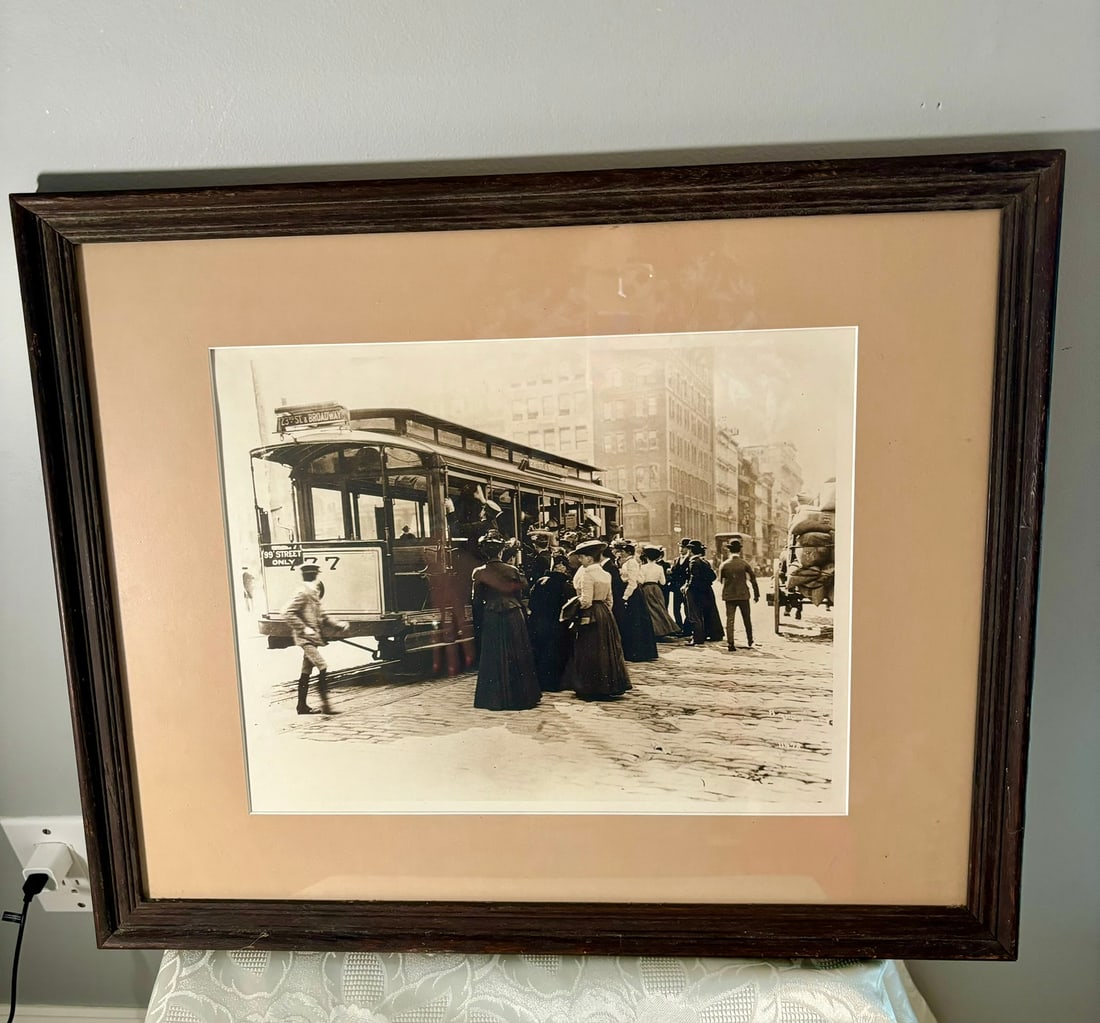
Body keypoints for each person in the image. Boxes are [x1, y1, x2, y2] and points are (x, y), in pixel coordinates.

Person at [471, 532, 541, 711]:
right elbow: (521, 594)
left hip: (492, 615)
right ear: (502, 550)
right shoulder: (513, 571)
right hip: (512, 613)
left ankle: (493, 698)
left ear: (484, 552)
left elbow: (477, 601)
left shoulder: (479, 572)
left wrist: (479, 623)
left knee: (493, 654)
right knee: (517, 652)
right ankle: (522, 696)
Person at [565, 539, 632, 700]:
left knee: (588, 649)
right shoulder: (605, 573)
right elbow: (610, 600)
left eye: (581, 557)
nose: (579, 560)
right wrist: (604, 613)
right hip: (604, 613)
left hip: (590, 613)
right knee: (606, 649)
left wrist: (572, 606)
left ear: (589, 558)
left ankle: (590, 686)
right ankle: (608, 683)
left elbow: (586, 600)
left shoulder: (587, 573)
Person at [283, 561, 347, 715]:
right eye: (316, 575)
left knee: (306, 671)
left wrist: (338, 625)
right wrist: (303, 628)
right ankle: (326, 706)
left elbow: (322, 616)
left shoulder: (313, 592)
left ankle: (301, 706)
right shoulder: (303, 592)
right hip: (305, 638)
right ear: (314, 576)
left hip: (312, 638)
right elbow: (287, 612)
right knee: (322, 666)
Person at [527, 552, 576, 692]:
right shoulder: (566, 584)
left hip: (538, 622)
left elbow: (532, 604)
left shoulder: (540, 581)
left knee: (540, 651)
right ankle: (553, 683)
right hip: (557, 624)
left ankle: (540, 682)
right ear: (562, 567)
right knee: (555, 652)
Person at [615, 541, 658, 661]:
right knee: (633, 623)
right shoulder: (627, 562)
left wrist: (625, 597)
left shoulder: (632, 563)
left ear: (628, 552)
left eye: (622, 551)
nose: (620, 553)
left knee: (636, 622)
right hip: (630, 593)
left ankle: (638, 652)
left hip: (633, 594)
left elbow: (632, 582)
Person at [719, 539, 760, 650]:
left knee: (730, 620)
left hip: (729, 596)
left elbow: (720, 580)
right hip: (743, 595)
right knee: (747, 619)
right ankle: (750, 640)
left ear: (729, 550)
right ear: (740, 550)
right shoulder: (744, 564)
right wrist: (757, 594)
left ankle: (730, 643)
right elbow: (753, 580)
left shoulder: (724, 565)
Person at [681, 540, 724, 646]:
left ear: (690, 550)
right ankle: (712, 634)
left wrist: (687, 587)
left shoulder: (693, 562)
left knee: (695, 614)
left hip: (695, 592)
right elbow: (713, 576)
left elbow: (693, 578)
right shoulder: (704, 562)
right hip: (707, 591)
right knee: (709, 612)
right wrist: (705, 583)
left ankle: (697, 638)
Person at [638, 545, 680, 640]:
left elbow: (641, 580)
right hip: (657, 589)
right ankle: (663, 629)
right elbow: (663, 582)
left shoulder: (643, 567)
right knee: (659, 609)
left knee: (649, 610)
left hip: (646, 588)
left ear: (646, 557)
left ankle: (653, 630)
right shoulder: (659, 568)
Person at [667, 538, 693, 636]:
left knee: (688, 609)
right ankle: (679, 627)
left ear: (688, 549)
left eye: (684, 547)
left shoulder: (690, 560)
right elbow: (674, 574)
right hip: (676, 589)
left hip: (686, 588)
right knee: (676, 609)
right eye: (680, 547)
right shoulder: (676, 560)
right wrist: (670, 572)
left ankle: (687, 629)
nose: (681, 549)